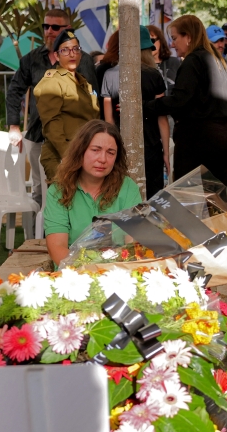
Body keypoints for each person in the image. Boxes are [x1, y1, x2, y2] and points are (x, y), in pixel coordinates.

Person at [6, 9, 98, 207]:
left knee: (77, 193)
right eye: (46, 26)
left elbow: (93, 100)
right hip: (39, 135)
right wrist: (13, 125)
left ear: (68, 29)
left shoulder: (83, 60)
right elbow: (14, 91)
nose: (49, 31)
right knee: (41, 191)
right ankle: (44, 226)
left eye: (55, 27)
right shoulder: (31, 59)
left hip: (76, 138)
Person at [144, 15, 227, 184]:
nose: (172, 44)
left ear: (189, 37)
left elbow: (179, 100)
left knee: (189, 195)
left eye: (174, 38)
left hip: (198, 142)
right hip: (223, 139)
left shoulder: (194, 61)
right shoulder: (218, 60)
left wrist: (145, 106)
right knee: (215, 195)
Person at [43, 120, 142, 266]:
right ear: (80, 151)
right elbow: (57, 247)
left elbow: (134, 242)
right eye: (95, 150)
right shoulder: (58, 191)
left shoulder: (127, 187)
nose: (102, 159)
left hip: (119, 271)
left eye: (110, 153)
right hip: (73, 273)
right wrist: (90, 273)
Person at [101, 26, 170, 198]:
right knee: (153, 200)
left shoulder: (110, 75)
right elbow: (162, 119)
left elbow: (109, 121)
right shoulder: (154, 75)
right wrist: (166, 153)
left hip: (121, 147)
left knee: (123, 198)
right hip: (151, 146)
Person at [34, 29, 100, 182]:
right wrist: (69, 156)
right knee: (66, 197)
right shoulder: (52, 82)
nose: (72, 54)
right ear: (56, 56)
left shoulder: (84, 82)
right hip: (62, 156)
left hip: (86, 154)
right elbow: (52, 124)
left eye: (75, 49)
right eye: (65, 50)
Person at [148, 25, 181, 96]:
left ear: (160, 41)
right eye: (145, 42)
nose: (148, 45)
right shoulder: (140, 67)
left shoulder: (174, 62)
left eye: (152, 40)